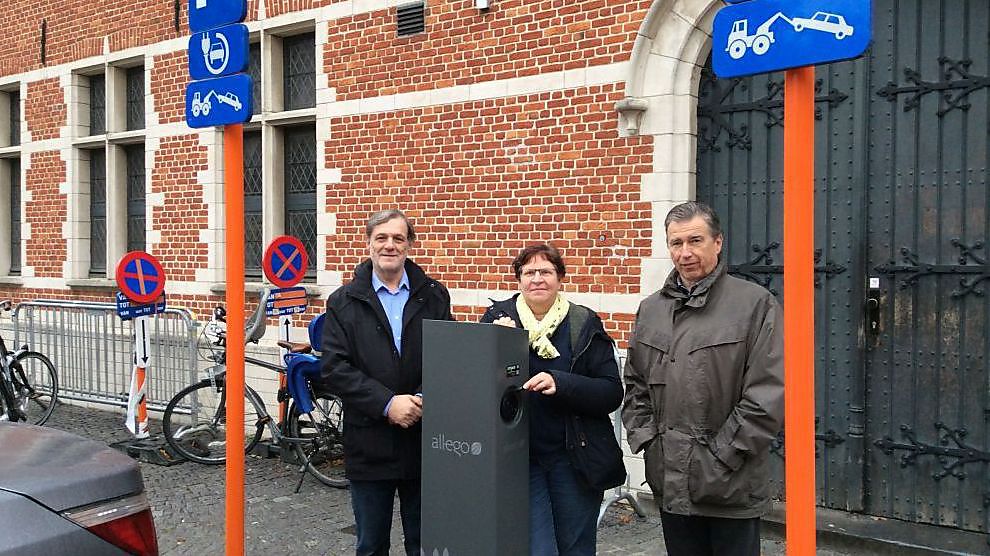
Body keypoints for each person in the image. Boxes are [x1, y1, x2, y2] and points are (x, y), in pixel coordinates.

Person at [621, 201, 784, 556]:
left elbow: (766, 395)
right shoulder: (651, 309)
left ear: (718, 242)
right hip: (669, 479)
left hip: (730, 484)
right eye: (676, 243)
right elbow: (635, 384)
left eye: (695, 240)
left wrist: (719, 458)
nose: (685, 253)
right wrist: (649, 442)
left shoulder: (755, 304)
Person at [321, 209, 454, 556]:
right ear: (368, 243)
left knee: (426, 545)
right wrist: (387, 403)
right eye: (381, 237)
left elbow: (449, 358)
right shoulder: (343, 302)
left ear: (409, 244)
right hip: (369, 442)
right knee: (371, 546)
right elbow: (335, 368)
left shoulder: (434, 296)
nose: (389, 245)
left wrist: (422, 398)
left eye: (398, 238)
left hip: (424, 442)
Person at [481, 243, 625, 556]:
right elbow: (475, 388)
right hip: (519, 458)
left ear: (560, 277)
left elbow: (611, 392)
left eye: (546, 272)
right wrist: (494, 344)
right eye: (529, 272)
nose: (537, 279)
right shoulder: (498, 319)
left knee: (575, 547)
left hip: (573, 459)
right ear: (519, 279)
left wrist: (561, 383)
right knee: (537, 549)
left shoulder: (583, 323)